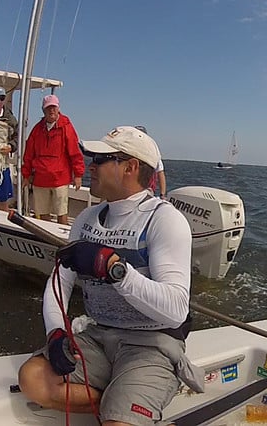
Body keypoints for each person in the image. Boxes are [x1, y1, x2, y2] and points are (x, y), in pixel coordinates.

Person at [18, 126, 203, 425]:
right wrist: (56, 333)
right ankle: (121, 400)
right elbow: (59, 283)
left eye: (101, 160)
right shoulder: (86, 219)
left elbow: (176, 311)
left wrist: (114, 270)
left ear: (130, 167)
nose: (90, 166)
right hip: (99, 336)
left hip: (151, 344)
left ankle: (129, 402)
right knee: (33, 380)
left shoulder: (164, 220)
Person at [21, 94, 85, 225]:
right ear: (43, 110)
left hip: (60, 179)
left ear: (58, 108)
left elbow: (75, 152)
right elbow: (28, 154)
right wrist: (26, 175)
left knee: (61, 212)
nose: (51, 110)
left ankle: (61, 234)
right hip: (40, 179)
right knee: (42, 213)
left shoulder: (66, 127)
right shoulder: (37, 130)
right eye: (48, 108)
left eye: (54, 107)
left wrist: (78, 175)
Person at [134, 126, 166, 199]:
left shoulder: (153, 153)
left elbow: (160, 173)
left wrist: (162, 194)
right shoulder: (126, 151)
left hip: (147, 192)